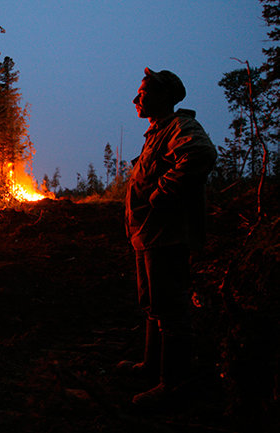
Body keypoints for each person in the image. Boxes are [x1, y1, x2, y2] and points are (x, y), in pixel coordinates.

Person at [120, 67, 217, 407]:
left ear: (164, 97)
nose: (136, 99)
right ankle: (152, 366)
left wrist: (163, 193)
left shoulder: (180, 127)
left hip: (168, 235)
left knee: (171, 310)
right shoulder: (156, 133)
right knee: (153, 305)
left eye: (143, 92)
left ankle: (172, 385)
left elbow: (201, 154)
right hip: (149, 235)